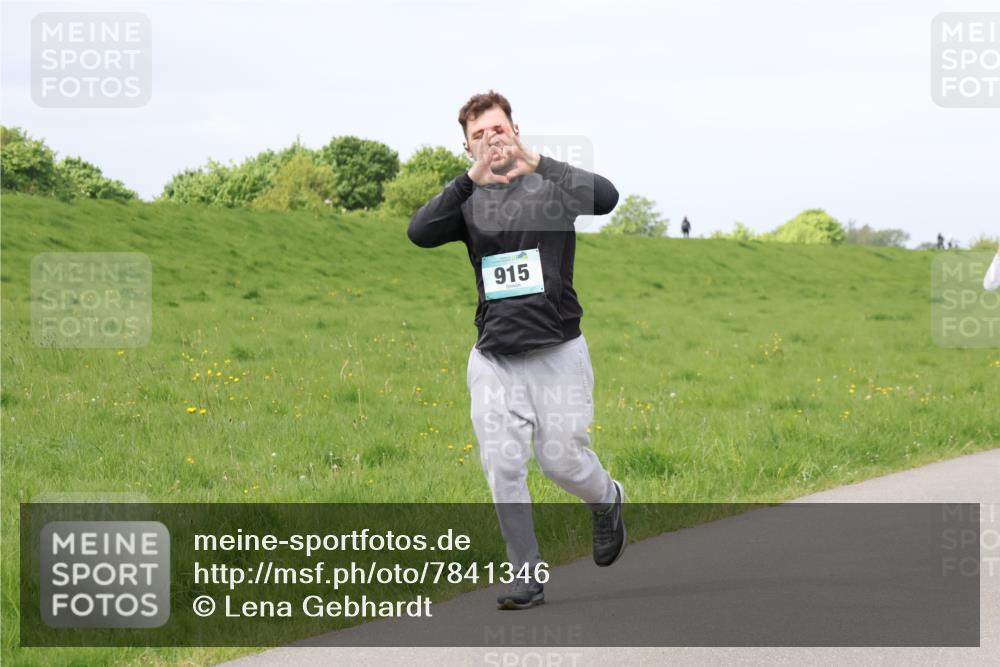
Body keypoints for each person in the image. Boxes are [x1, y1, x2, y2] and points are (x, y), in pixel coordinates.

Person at [407, 90, 626, 610]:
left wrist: (541, 163)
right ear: (467, 148)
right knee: (503, 466)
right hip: (494, 359)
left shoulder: (552, 185)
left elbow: (607, 197)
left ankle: (606, 499)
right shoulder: (467, 200)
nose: (490, 140)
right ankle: (525, 575)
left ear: (516, 131)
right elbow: (418, 232)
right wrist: (466, 184)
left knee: (562, 462)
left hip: (557, 352)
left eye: (497, 130)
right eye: (478, 136)